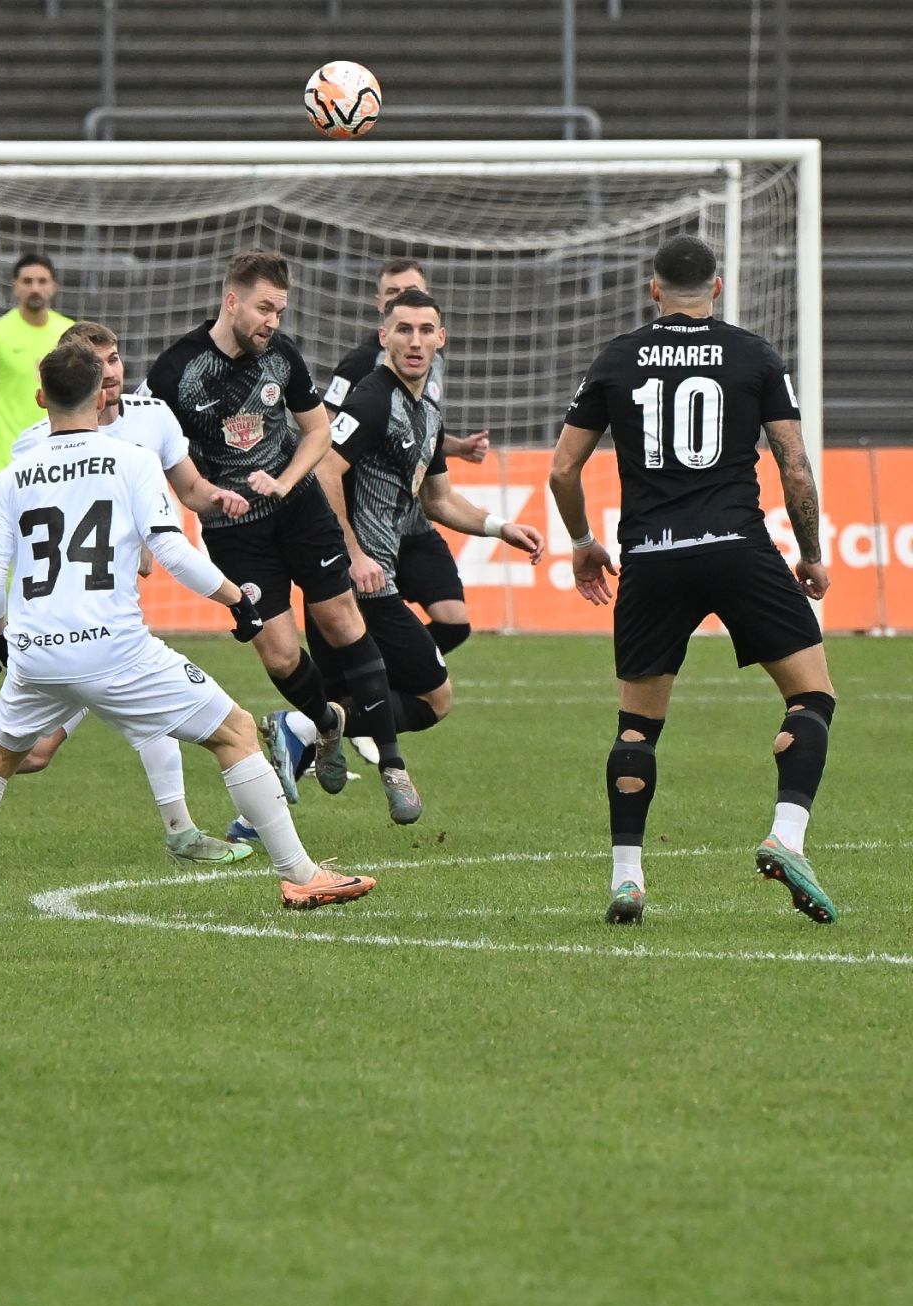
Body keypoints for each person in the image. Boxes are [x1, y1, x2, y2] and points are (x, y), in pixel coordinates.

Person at [0, 338, 375, 915]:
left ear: (40, 398)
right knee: (235, 731)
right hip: (114, 649)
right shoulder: (132, 461)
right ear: (102, 395)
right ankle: (300, 875)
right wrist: (237, 601)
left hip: (36, 651)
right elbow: (172, 552)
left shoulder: (13, 476)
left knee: (0, 754)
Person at [0, 321, 253, 866]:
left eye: (115, 359)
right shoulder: (35, 442)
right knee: (42, 748)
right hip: (70, 612)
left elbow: (189, 489)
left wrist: (216, 498)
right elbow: (33, 526)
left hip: (112, 605)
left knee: (50, 741)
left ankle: (180, 829)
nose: (110, 372)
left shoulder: (153, 417)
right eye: (98, 364)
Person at [548, 234, 835, 926]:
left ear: (653, 289)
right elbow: (794, 467)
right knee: (812, 697)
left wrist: (583, 544)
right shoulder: (754, 354)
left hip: (652, 555)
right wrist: (810, 553)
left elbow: (561, 469)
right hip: (738, 547)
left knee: (637, 727)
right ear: (719, 287)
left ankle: (627, 880)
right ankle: (786, 836)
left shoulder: (617, 357)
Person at [143, 249, 420, 825]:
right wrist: (152, 527)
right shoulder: (175, 371)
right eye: (264, 309)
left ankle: (393, 766)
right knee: (279, 654)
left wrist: (285, 480)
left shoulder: (282, 356)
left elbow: (318, 431)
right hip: (233, 531)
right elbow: (146, 457)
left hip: (300, 510)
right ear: (232, 302)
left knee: (342, 619)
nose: (273, 322)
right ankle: (326, 723)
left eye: (279, 312)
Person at [308, 290, 542, 765]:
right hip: (360, 584)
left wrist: (500, 528)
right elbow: (323, 468)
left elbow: (439, 499)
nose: (415, 341)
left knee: (359, 695)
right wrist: (355, 555)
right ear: (384, 337)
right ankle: (305, 728)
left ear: (441, 339)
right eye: (404, 330)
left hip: (371, 579)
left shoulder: (427, 413)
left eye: (425, 330)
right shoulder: (371, 399)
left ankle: (305, 742)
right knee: (435, 698)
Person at [0, 254, 74, 475]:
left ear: (54, 286)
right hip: (12, 467)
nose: (35, 288)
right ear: (15, 287)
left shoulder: (70, 334)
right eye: (27, 281)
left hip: (63, 464)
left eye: (42, 281)